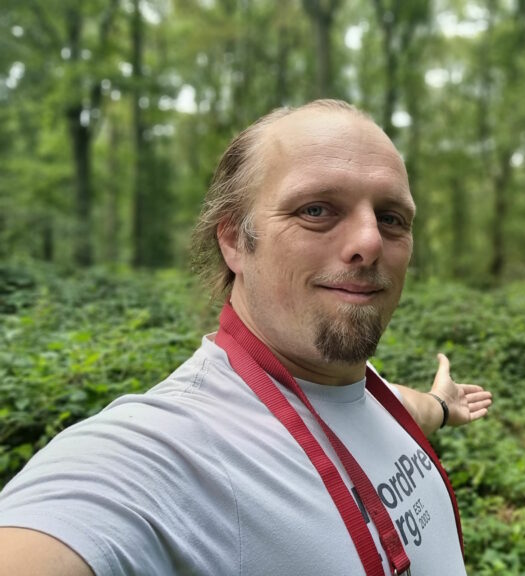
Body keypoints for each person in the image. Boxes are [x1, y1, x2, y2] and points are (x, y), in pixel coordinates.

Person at [0, 99, 492, 576]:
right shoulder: (173, 450)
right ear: (234, 240)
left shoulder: (361, 389)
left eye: (391, 218)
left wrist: (442, 407)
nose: (369, 242)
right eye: (317, 210)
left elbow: (384, 409)